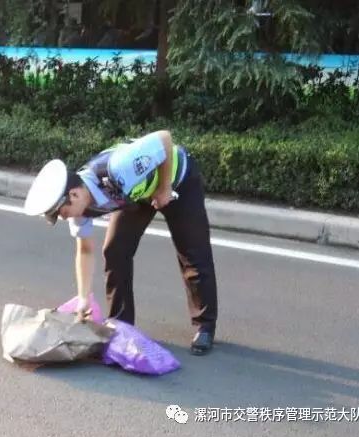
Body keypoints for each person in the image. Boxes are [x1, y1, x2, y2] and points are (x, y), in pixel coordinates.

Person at [24, 130, 218, 355]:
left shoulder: (119, 166)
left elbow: (164, 139)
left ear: (74, 194)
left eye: (62, 213)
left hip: (177, 180)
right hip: (136, 195)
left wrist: (164, 189)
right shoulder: (79, 208)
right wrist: (84, 298)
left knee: (192, 252)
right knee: (115, 251)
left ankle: (205, 326)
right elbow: (84, 251)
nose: (64, 218)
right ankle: (122, 326)